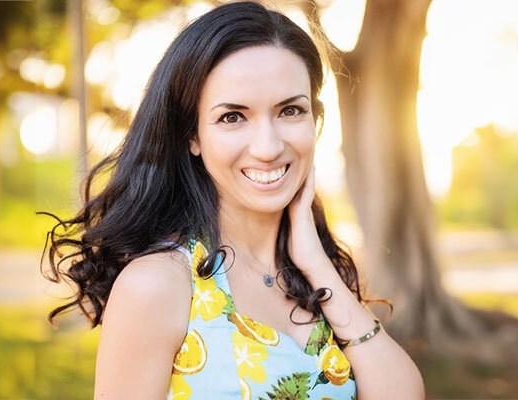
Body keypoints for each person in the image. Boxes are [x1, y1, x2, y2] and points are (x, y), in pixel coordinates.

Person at [45, 2, 424, 398]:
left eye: (290, 110)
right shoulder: (159, 285)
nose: (268, 147)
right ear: (192, 136)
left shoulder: (314, 276)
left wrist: (314, 262)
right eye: (233, 117)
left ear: (315, 122)